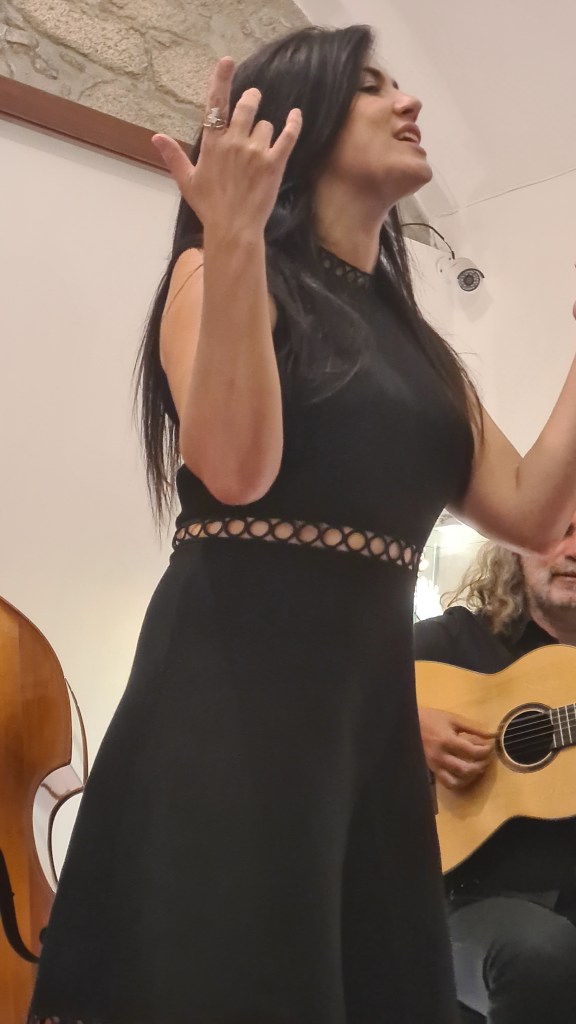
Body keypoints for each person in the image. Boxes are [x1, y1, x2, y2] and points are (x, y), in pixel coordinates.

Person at [27, 22, 576, 1024]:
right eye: (372, 86)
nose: (410, 101)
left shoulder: (422, 352)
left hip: (368, 731)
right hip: (229, 706)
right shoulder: (212, 274)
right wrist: (232, 235)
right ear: (297, 126)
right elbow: (236, 472)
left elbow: (531, 508)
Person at [415, 522, 576, 1024]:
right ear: (516, 544)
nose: (574, 551)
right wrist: (402, 722)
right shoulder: (448, 644)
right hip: (458, 900)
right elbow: (320, 706)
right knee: (541, 953)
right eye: (562, 530)